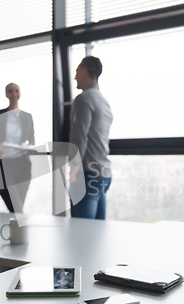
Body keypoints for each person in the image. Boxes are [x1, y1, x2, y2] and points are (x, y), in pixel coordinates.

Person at [69, 56, 113, 219]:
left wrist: (73, 171)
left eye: (76, 72)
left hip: (87, 176)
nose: (75, 77)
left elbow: (79, 137)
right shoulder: (104, 102)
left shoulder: (83, 99)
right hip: (103, 175)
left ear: (84, 71)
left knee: (80, 235)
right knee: (96, 234)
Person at [0, 83, 35, 213]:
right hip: (3, 164)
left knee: (17, 206)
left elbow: (32, 140)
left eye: (16, 91)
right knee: (14, 205)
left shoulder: (27, 116)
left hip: (23, 165)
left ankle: (15, 230)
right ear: (6, 94)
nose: (13, 94)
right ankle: (19, 230)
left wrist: (26, 147)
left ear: (20, 93)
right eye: (10, 91)